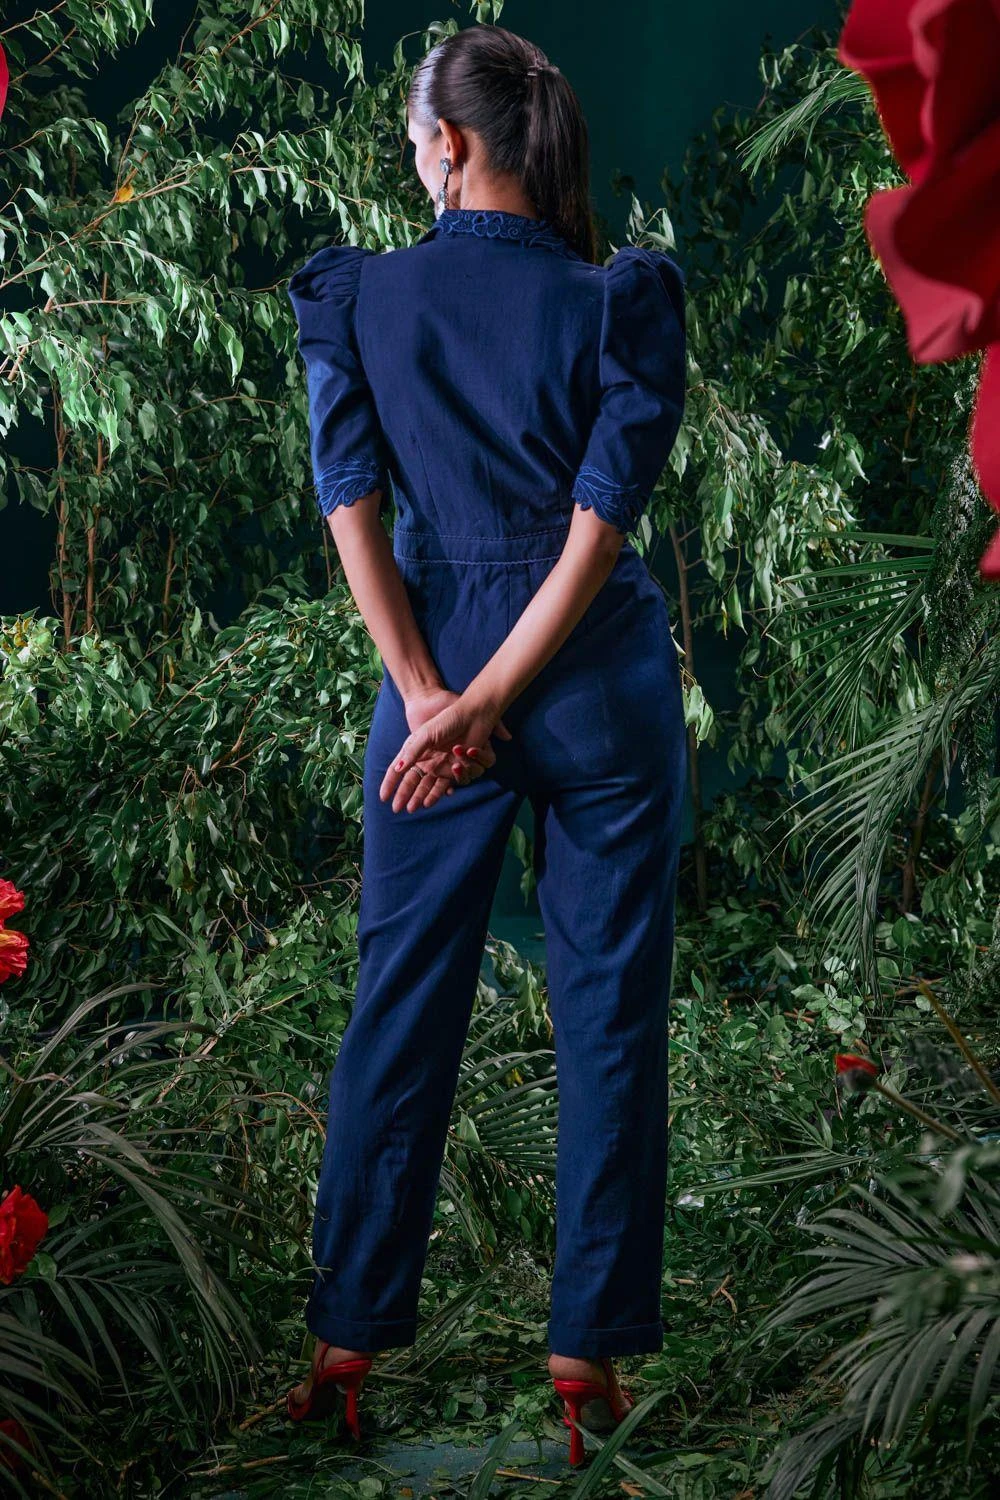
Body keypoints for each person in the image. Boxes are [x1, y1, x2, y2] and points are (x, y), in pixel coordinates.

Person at [283, 22, 687, 1465]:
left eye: (415, 141)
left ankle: (344, 1343)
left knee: (398, 1001)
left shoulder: (361, 297)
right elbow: (600, 525)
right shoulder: (617, 300)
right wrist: (502, 695)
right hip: (594, 689)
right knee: (610, 1009)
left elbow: (350, 497)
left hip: (435, 680)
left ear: (449, 146)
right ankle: (586, 1359)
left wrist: (431, 694)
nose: (415, 161)